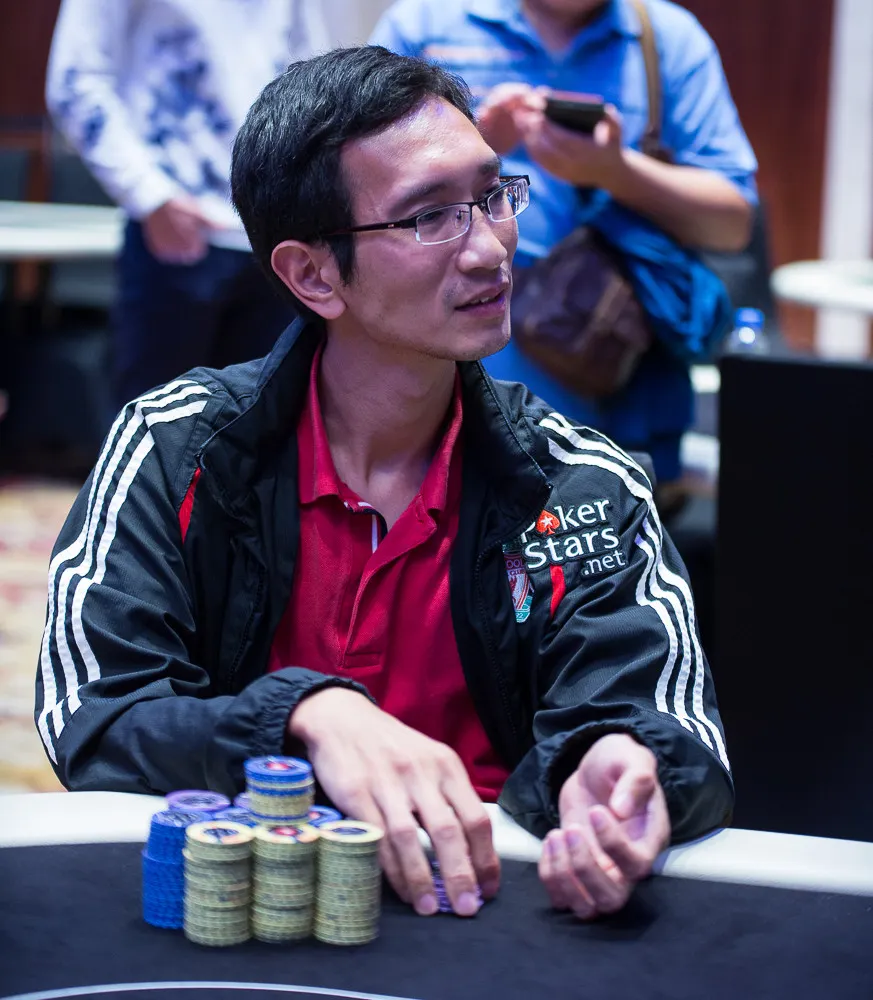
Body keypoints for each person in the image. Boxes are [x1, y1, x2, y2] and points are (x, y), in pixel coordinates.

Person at [36, 46, 732, 923]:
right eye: (430, 217)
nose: (489, 248)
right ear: (312, 274)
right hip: (246, 919)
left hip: (498, 921)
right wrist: (307, 715)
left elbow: (665, 724)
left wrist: (617, 759)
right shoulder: (177, 449)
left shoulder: (578, 484)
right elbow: (97, 717)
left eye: (492, 196)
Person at [370, 0, 758, 490]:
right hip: (441, 391)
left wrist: (616, 171)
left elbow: (732, 225)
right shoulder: (425, 23)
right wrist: (476, 143)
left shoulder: (667, 39)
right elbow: (358, 182)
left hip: (610, 388)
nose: (492, 246)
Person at [45, 0, 327, 410]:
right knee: (153, 424)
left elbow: (311, 76)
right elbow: (74, 79)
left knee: (270, 424)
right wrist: (149, 195)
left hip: (275, 232)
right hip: (177, 228)